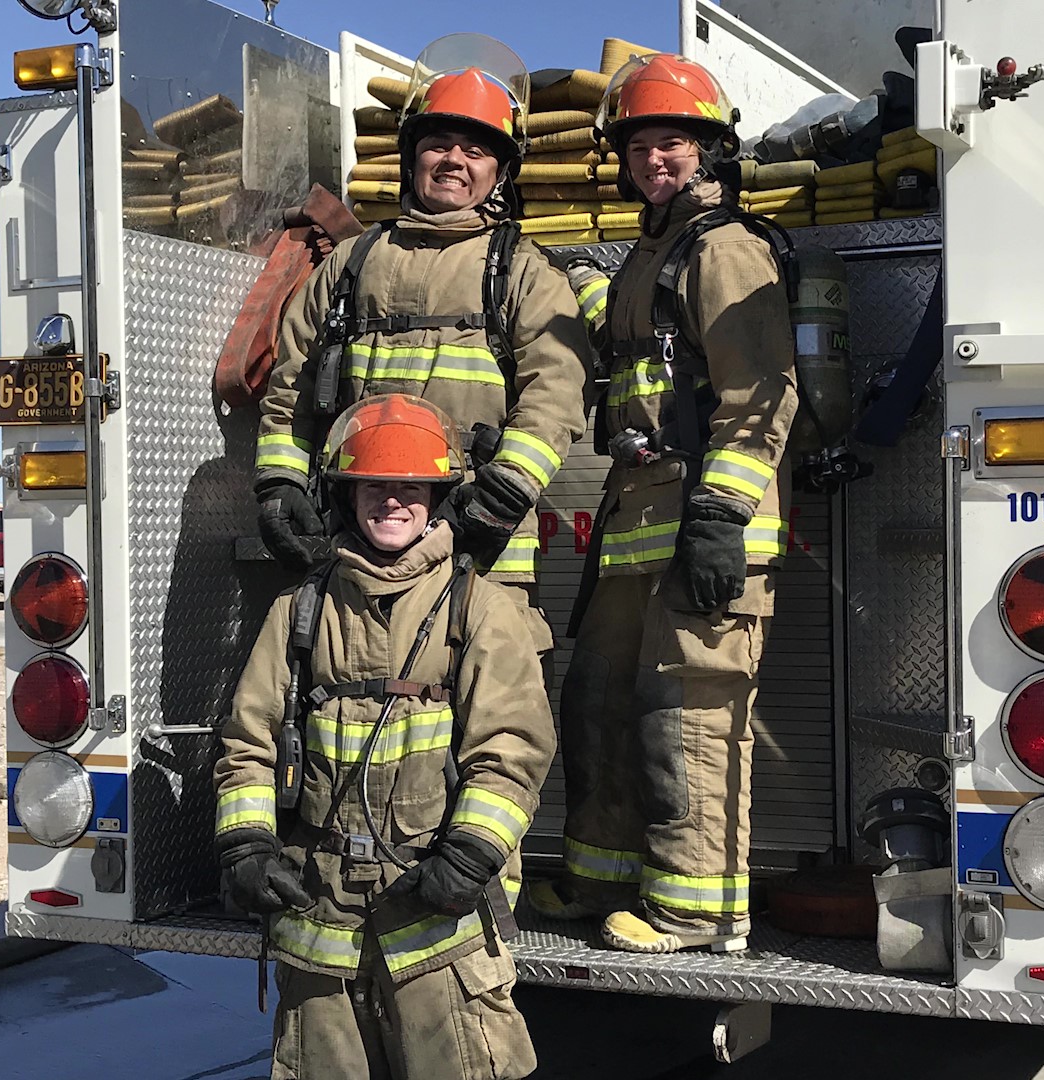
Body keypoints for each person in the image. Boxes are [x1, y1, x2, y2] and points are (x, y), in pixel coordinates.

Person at [524, 54, 798, 955]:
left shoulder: (725, 247)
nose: (653, 159)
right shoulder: (656, 252)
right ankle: (600, 876)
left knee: (688, 723)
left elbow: (762, 392)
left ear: (709, 146)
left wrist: (721, 517)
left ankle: (697, 909)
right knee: (601, 698)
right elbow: (636, 342)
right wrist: (576, 283)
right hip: (637, 525)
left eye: (671, 142)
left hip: (706, 525)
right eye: (639, 145)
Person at [214, 394, 555, 1079]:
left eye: (411, 488)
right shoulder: (300, 610)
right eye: (376, 486)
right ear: (346, 496)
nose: (393, 503)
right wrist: (247, 845)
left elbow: (513, 750)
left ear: (437, 498)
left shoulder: (478, 607)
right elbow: (247, 742)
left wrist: (470, 856)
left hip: (437, 923)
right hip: (321, 923)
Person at [255, 34, 591, 656]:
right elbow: (291, 384)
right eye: (438, 143)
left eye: (475, 149)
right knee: (354, 708)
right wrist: (280, 483)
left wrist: (504, 493)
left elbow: (557, 390)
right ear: (412, 157)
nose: (454, 160)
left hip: (482, 549)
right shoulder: (351, 264)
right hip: (356, 545)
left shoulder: (520, 269)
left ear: (500, 170)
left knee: (486, 718)